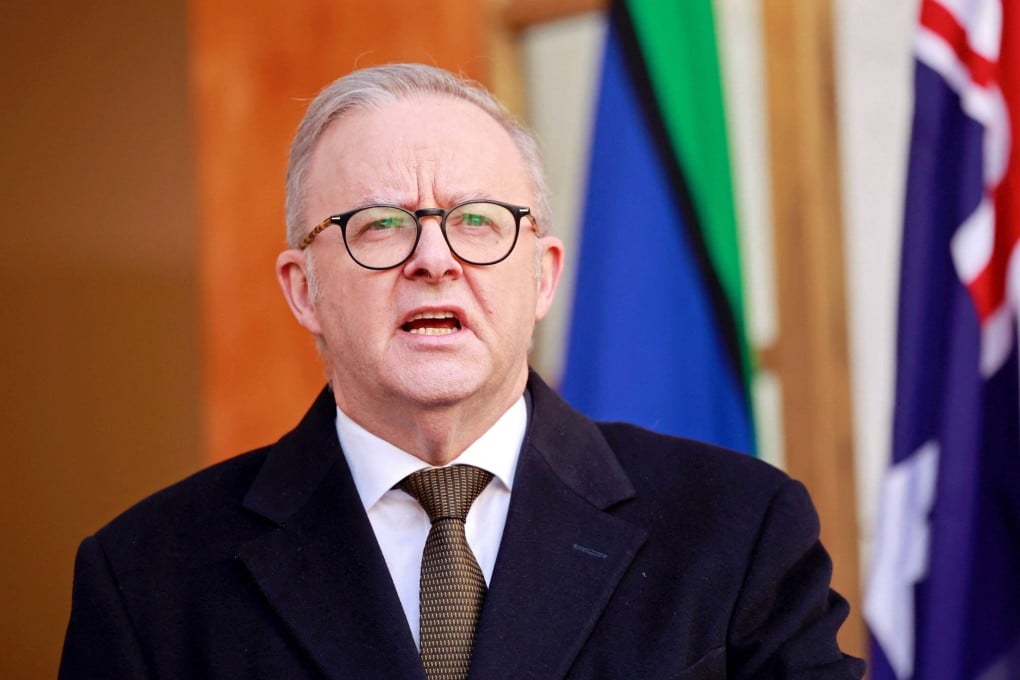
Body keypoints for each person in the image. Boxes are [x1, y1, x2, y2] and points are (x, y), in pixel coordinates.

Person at [59, 63, 864, 679]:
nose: (434, 259)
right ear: (304, 290)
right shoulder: (144, 578)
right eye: (380, 225)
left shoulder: (740, 527)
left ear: (543, 276)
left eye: (477, 220)